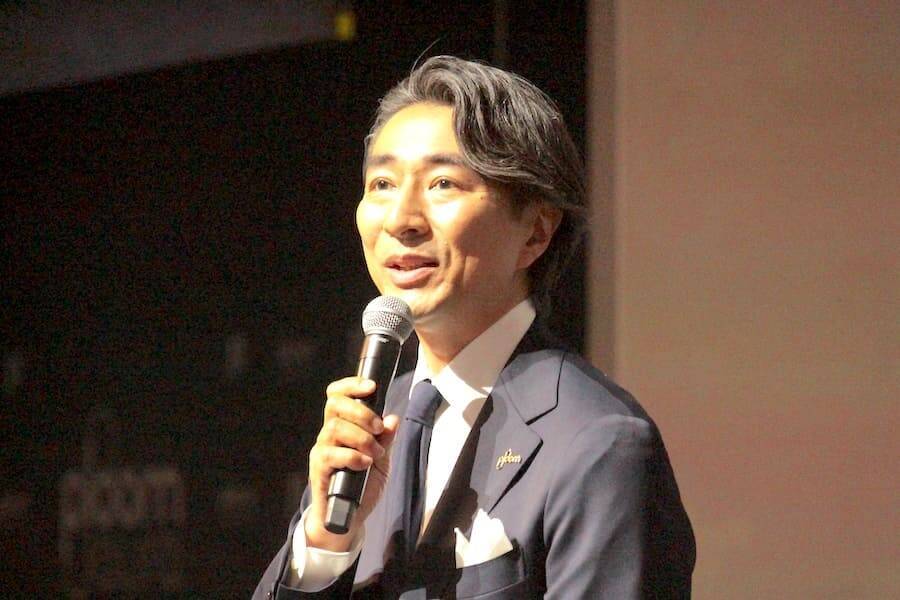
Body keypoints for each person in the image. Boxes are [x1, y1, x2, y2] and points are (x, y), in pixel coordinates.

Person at [254, 56, 694, 599]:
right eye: (382, 183)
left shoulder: (599, 444)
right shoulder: (369, 432)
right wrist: (324, 544)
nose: (401, 219)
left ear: (535, 232)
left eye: (442, 183)